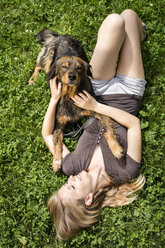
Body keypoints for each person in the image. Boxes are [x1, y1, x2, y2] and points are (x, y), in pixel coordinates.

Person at [42, 9, 147, 240]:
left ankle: (131, 35)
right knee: (128, 16)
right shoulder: (125, 173)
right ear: (88, 199)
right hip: (128, 95)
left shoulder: (72, 166)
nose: (69, 179)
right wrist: (97, 108)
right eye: (71, 187)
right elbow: (134, 125)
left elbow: (48, 135)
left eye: (66, 184)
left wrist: (54, 100)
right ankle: (139, 33)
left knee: (114, 21)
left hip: (95, 88)